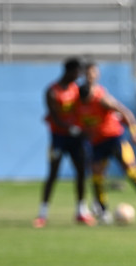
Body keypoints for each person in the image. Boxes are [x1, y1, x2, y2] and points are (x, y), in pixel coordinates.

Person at [77, 62, 136, 224]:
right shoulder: (79, 102)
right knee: (96, 175)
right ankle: (103, 211)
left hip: (115, 138)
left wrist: (135, 132)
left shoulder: (101, 98)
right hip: (97, 143)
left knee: (131, 172)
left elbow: (125, 113)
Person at [34, 57, 93, 228]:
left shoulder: (77, 89)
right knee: (53, 173)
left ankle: (81, 211)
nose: (79, 75)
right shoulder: (52, 91)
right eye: (77, 72)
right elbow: (56, 118)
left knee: (81, 172)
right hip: (59, 138)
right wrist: (75, 130)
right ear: (69, 71)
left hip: (76, 139)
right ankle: (42, 214)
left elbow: (86, 104)